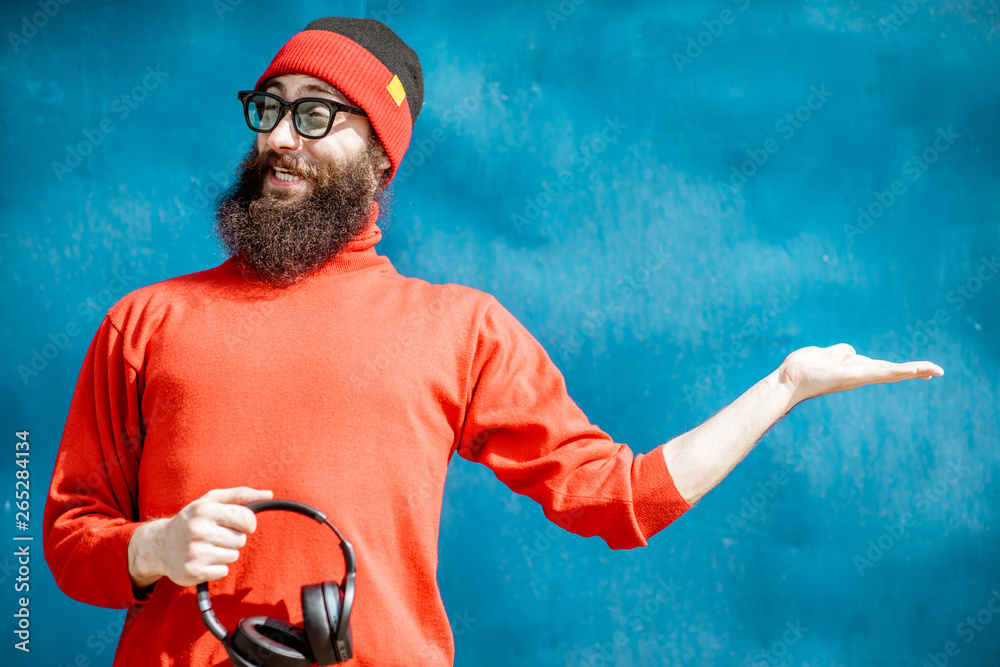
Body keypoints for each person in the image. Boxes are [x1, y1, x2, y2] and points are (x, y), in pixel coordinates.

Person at [42, 16, 943, 667]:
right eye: (270, 106)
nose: (281, 136)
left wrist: (784, 385)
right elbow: (69, 534)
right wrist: (154, 547)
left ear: (380, 157)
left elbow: (618, 500)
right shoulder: (145, 321)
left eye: (318, 114)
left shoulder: (458, 327)